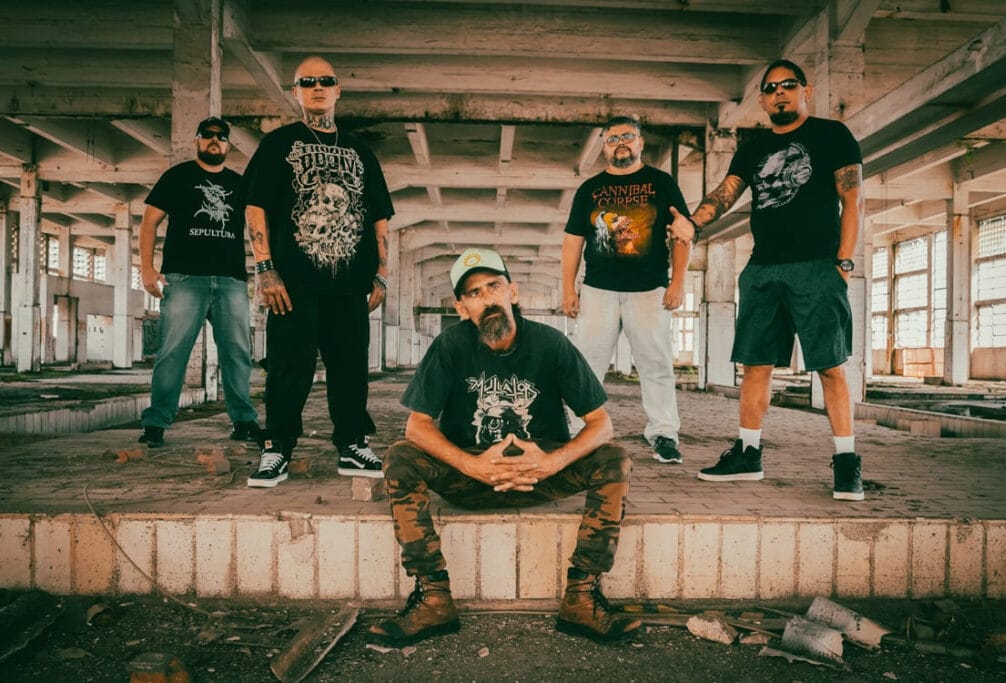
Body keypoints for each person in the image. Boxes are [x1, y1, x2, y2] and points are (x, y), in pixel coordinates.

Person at [369, 247, 640, 646]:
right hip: (470, 478)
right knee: (400, 458)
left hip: (541, 477)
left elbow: (602, 424)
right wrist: (471, 466)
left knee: (614, 458)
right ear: (462, 309)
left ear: (513, 292)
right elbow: (417, 427)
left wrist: (552, 463)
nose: (487, 298)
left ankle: (581, 598)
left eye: (493, 286)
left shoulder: (551, 344)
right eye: (474, 293)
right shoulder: (450, 345)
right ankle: (433, 599)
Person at [668, 59, 866, 501]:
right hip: (762, 269)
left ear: (805, 91)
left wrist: (843, 262)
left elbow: (852, 199)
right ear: (761, 100)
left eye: (788, 85)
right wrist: (693, 224)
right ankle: (748, 454)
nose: (780, 93)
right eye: (771, 88)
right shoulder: (754, 147)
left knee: (830, 366)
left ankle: (846, 463)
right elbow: (726, 192)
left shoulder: (832, 135)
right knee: (755, 365)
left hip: (817, 266)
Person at [243, 56, 393, 488]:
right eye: (306, 82)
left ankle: (352, 442)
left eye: (325, 80)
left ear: (338, 89)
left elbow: (379, 217)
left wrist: (382, 272)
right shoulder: (278, 144)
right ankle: (277, 446)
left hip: (349, 284)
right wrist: (265, 268)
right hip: (294, 284)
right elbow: (255, 206)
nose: (317, 87)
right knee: (289, 367)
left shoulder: (361, 152)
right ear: (296, 92)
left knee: (350, 367)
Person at [562, 116, 692, 465]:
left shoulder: (661, 183)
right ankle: (578, 430)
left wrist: (678, 282)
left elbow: (681, 234)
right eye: (612, 138)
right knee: (587, 364)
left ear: (640, 142)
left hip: (649, 289)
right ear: (604, 147)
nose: (620, 142)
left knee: (656, 364)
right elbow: (573, 241)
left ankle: (664, 434)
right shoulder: (589, 189)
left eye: (628, 136)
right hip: (598, 290)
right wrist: (568, 289)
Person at [138, 116, 262, 449]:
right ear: (197, 140)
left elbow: (258, 227)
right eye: (208, 135)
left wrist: (267, 271)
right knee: (172, 353)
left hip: (231, 280)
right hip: (184, 278)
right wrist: (147, 268)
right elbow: (149, 222)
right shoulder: (177, 177)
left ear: (228, 145)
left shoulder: (239, 184)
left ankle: (244, 421)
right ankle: (156, 423)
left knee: (238, 354)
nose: (214, 141)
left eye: (221, 137)